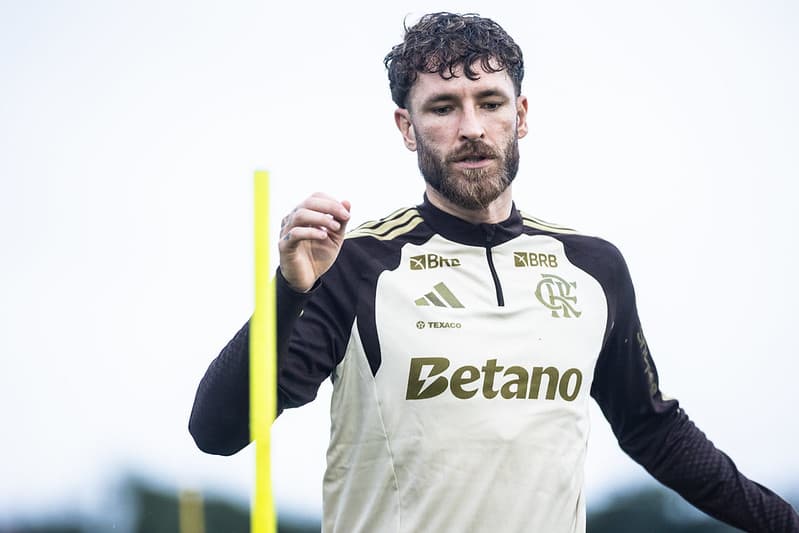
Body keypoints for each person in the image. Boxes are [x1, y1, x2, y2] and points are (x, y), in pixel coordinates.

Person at [189, 12, 799, 533]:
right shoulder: (355, 265)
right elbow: (217, 431)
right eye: (443, 107)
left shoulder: (593, 267)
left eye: (490, 103)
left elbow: (653, 432)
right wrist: (289, 289)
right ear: (407, 127)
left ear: (522, 114)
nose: (472, 129)